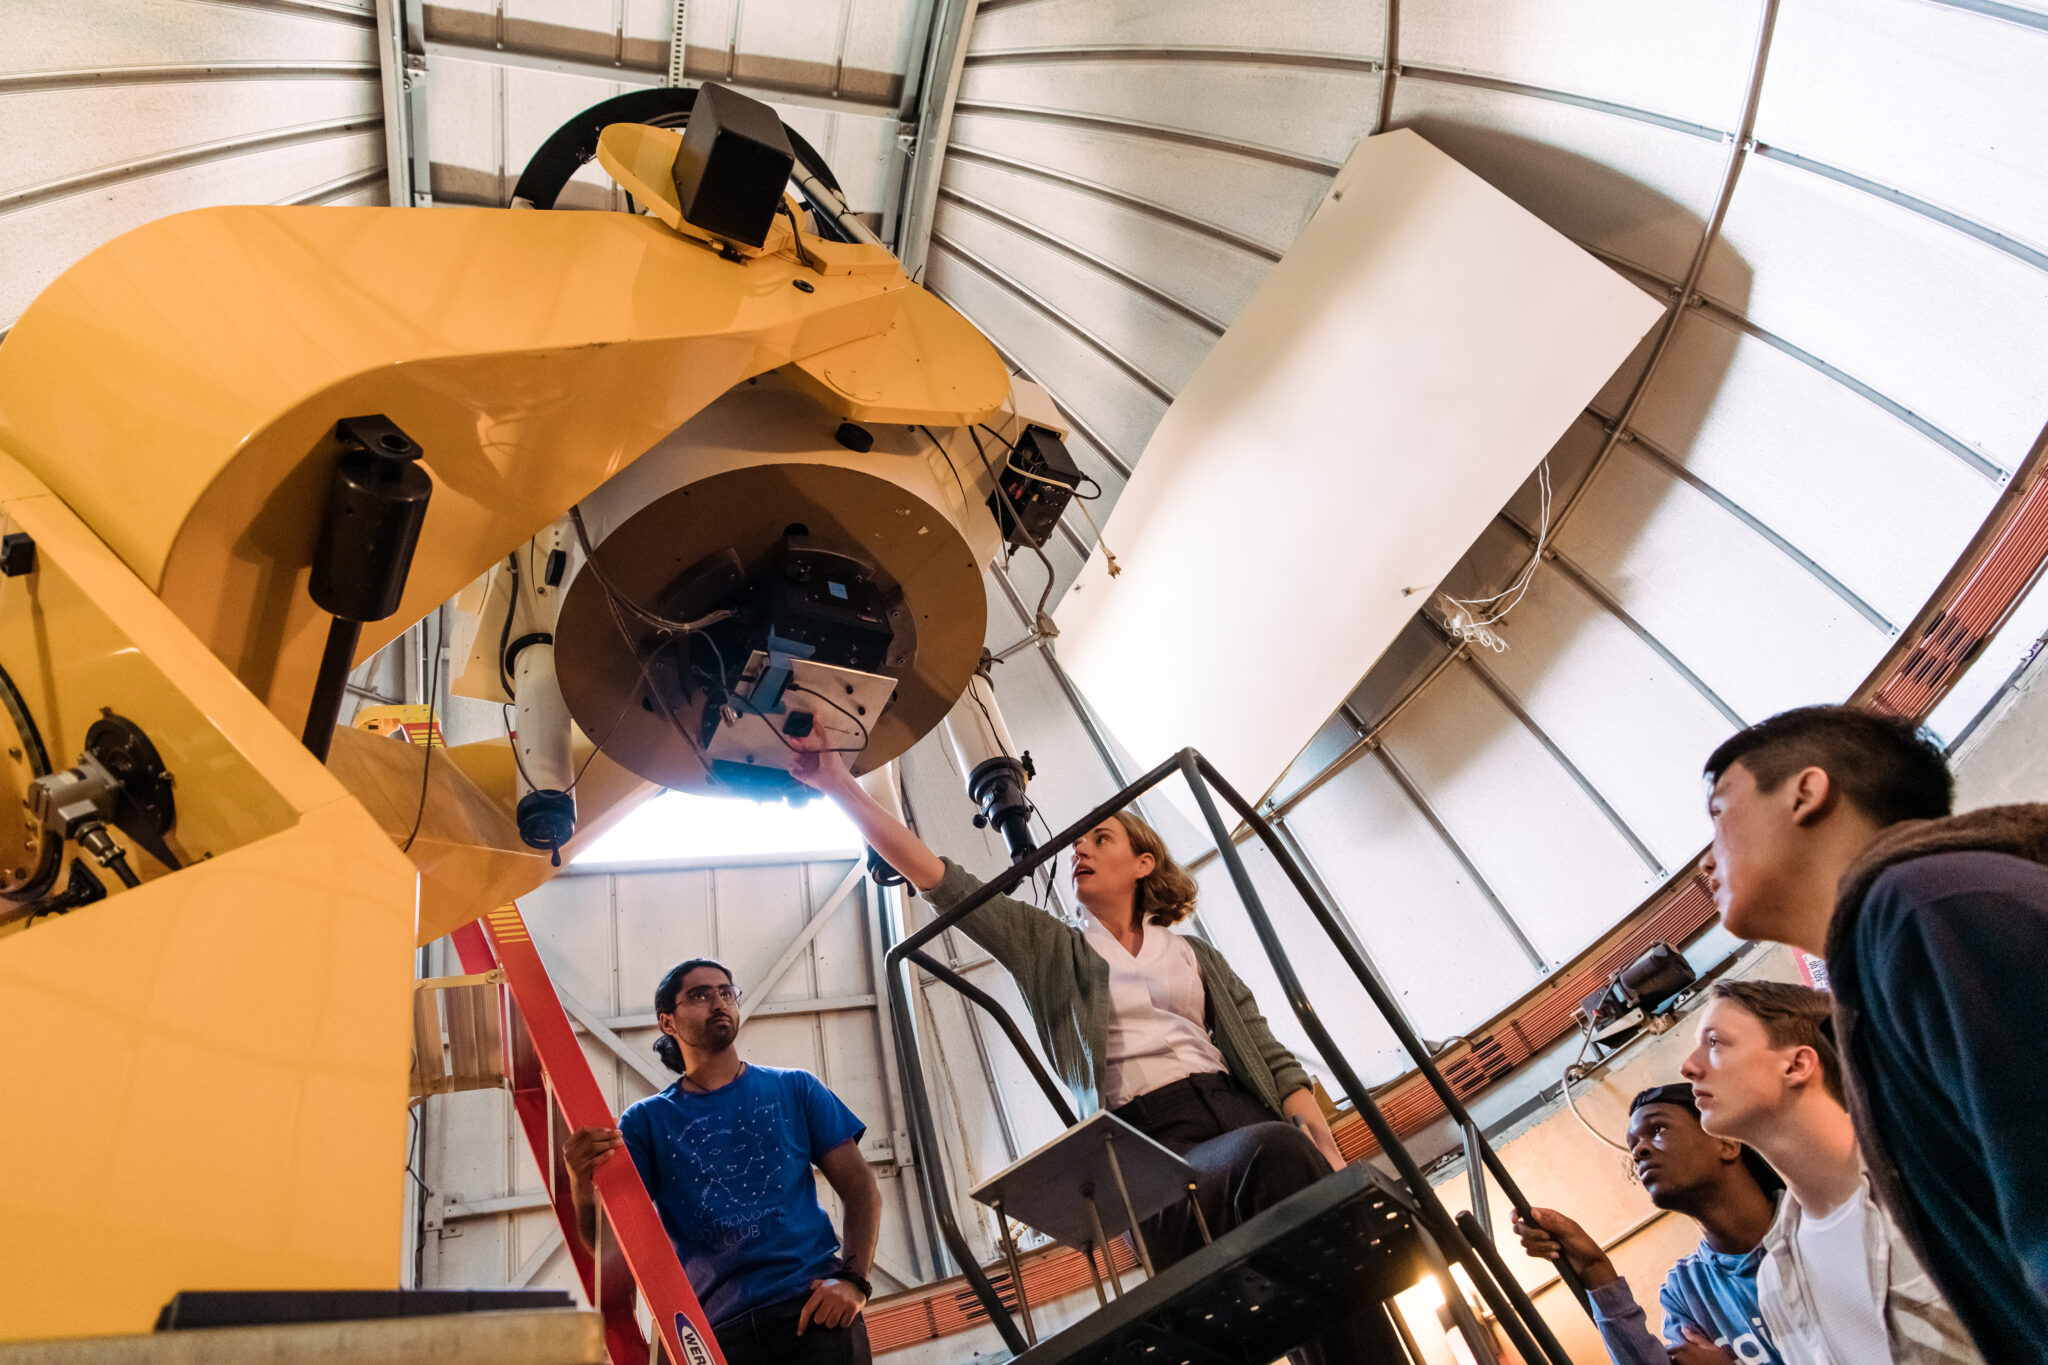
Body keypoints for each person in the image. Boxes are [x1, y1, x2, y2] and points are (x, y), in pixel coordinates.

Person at [789, 734, 1393, 1363]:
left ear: (1143, 864)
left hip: (1238, 1115)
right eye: (1078, 842)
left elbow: (1268, 1055)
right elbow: (942, 880)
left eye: (1101, 839)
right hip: (1150, 1149)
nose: (1079, 848)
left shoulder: (1196, 955)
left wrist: (1323, 1147)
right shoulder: (1051, 947)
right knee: (1250, 1244)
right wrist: (839, 784)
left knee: (1313, 1219)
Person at [1702, 704, 2048, 1361]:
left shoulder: (1924, 904)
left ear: (1807, 791)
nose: (1707, 861)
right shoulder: (1900, 931)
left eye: (1720, 811)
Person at [562, 958, 882, 1365]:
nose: (719, 1002)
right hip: (712, 1339)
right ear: (667, 1022)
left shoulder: (796, 1088)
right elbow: (611, 1250)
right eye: (699, 995)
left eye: (726, 992)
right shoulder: (645, 1122)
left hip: (811, 1313)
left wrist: (854, 1282)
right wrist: (579, 1184)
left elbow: (861, 1187)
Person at [1678, 980, 1978, 1364]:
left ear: (1797, 1064)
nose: (1688, 1066)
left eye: (1716, 1042)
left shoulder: (1938, 1187)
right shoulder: (1774, 1278)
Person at [1514, 1083, 1783, 1365]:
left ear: (1726, 1142)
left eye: (1658, 1130)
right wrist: (1595, 1270)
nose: (1639, 1151)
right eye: (1633, 1145)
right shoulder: (1685, 1291)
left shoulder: (1814, 1229)